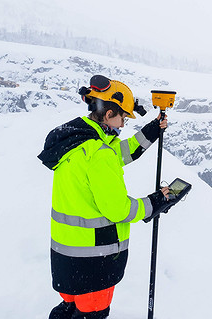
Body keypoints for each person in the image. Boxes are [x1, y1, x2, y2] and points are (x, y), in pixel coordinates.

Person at [38, 75, 175, 319]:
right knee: (91, 314)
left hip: (68, 258)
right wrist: (156, 202)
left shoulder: (77, 140)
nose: (123, 124)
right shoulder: (99, 154)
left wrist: (151, 131)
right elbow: (119, 210)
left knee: (69, 309)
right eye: (123, 117)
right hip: (93, 259)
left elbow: (118, 153)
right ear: (110, 113)